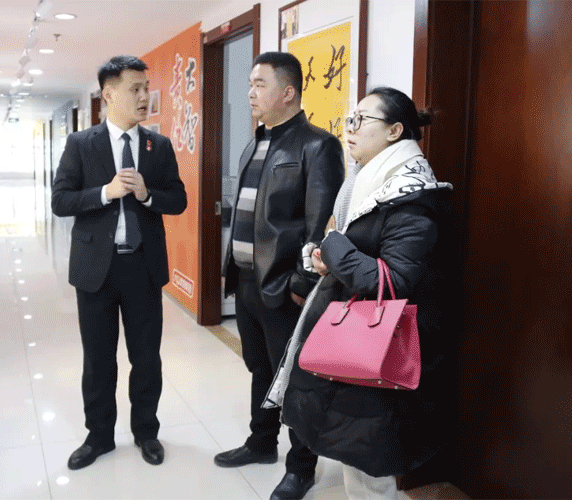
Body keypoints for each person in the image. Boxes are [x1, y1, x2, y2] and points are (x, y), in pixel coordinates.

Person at [271, 87, 454, 499]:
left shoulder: (411, 198)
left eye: (360, 120)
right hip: (359, 341)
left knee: (368, 468)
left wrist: (335, 245)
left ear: (394, 131)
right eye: (349, 120)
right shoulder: (368, 184)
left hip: (382, 348)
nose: (349, 129)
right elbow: (359, 255)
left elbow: (393, 282)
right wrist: (327, 257)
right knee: (356, 457)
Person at [215, 52, 344, 500]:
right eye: (250, 84)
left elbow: (319, 225)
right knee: (260, 368)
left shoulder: (317, 146)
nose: (250, 93)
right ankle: (261, 442)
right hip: (246, 282)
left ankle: (301, 468)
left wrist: (301, 285)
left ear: (288, 93)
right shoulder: (254, 143)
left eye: (260, 84)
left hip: (285, 287)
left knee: (296, 379)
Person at [51, 55, 187, 470]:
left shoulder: (158, 146)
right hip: (96, 270)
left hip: (142, 268)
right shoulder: (81, 144)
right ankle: (99, 437)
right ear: (109, 95)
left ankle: (146, 431)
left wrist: (147, 195)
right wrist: (105, 193)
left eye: (146, 88)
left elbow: (178, 199)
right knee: (98, 360)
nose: (145, 96)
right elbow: (61, 200)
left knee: (146, 358)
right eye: (135, 89)